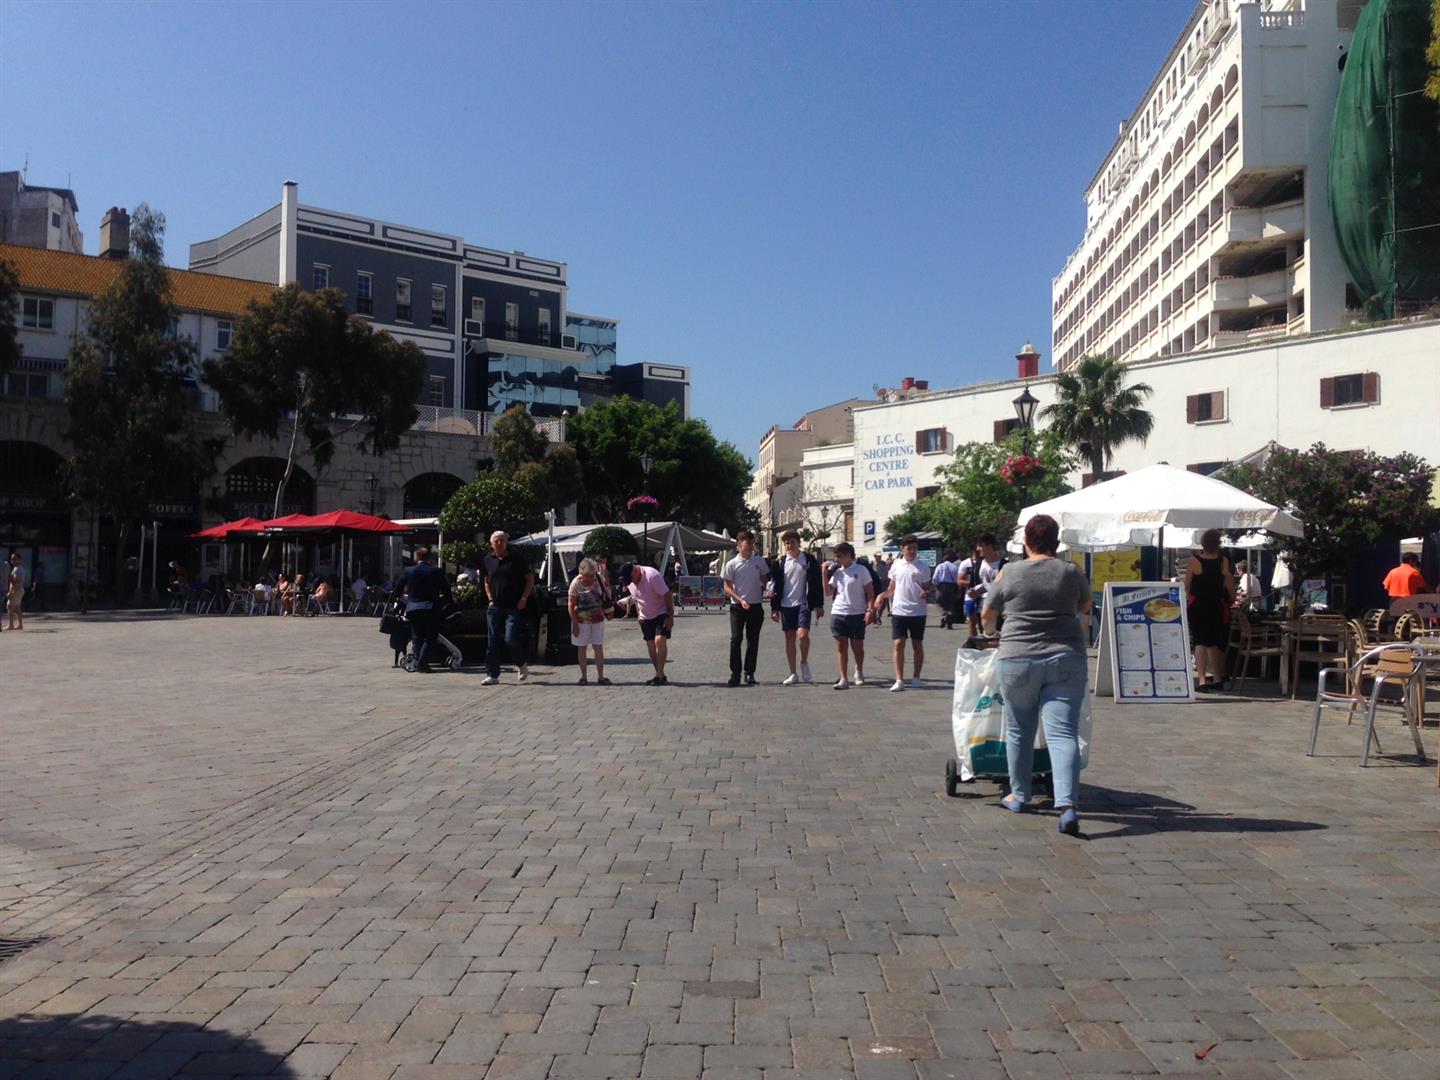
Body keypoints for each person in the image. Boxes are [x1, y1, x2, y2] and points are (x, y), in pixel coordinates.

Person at [982, 513, 1093, 837]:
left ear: (1026, 542)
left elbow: (988, 613)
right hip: (1066, 658)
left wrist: (993, 633)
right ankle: (1067, 805)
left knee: (1019, 731)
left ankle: (1019, 795)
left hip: (1018, 658)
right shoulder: (1071, 572)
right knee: (1062, 734)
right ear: (1057, 542)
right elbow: (1085, 607)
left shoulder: (1010, 572)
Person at [873, 535, 933, 691]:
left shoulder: (923, 567)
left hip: (918, 611)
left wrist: (926, 593)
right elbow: (891, 588)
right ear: (903, 550)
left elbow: (929, 588)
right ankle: (899, 679)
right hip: (899, 610)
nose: (912, 551)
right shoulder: (896, 566)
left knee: (917, 644)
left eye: (914, 548)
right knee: (898, 644)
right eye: (909, 548)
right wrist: (881, 596)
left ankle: (916, 676)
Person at [770, 530, 824, 685]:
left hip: (803, 603)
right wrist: (774, 608)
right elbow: (775, 586)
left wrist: (819, 604)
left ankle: (804, 662)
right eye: (787, 543)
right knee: (790, 638)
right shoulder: (780, 562)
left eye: (792, 542)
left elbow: (816, 583)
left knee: (803, 635)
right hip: (786, 604)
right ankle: (793, 673)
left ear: (799, 543)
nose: (789, 545)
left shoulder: (808, 560)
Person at [482, 531, 535, 685]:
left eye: (502, 540)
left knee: (510, 638)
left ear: (506, 543)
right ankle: (492, 674)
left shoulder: (516, 558)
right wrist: (490, 598)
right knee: (492, 641)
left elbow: (529, 578)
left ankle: (521, 663)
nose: (499, 543)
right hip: (495, 606)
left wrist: (524, 597)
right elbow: (486, 580)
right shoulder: (488, 559)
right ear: (491, 544)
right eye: (496, 541)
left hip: (513, 605)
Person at [1184, 528, 1234, 692]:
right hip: (1216, 605)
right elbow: (1228, 582)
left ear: (1203, 543)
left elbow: (1187, 584)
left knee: (1199, 642)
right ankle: (1218, 678)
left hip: (1198, 605)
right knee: (1213, 642)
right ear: (1218, 544)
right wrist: (1231, 599)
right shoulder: (1223, 561)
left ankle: (1203, 681)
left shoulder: (1194, 561)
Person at [721, 530, 771, 687]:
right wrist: (739, 599)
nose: (750, 545)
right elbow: (727, 588)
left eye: (752, 542)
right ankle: (735, 673)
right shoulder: (731, 564)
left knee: (753, 640)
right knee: (736, 639)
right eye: (747, 542)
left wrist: (768, 587)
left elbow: (765, 580)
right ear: (739, 545)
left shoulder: (759, 562)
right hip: (737, 607)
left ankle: (749, 672)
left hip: (755, 605)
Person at [825, 542, 875, 689]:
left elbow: (870, 592)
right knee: (841, 646)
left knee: (857, 646)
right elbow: (828, 592)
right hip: (838, 612)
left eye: (839, 556)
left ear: (848, 555)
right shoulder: (837, 572)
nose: (837, 560)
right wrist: (824, 573)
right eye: (836, 557)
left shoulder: (861, 570)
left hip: (857, 613)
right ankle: (843, 678)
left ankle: (858, 669)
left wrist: (870, 610)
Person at [617, 559, 675, 685]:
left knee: (659, 640)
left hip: (661, 612)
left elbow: (667, 594)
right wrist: (639, 615)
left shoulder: (652, 575)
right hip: (645, 616)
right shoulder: (630, 581)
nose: (632, 583)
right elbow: (636, 598)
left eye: (632, 579)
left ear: (635, 570)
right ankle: (659, 674)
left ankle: (659, 675)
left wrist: (670, 615)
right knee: (650, 644)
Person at [396, 547, 452, 673]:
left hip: (413, 608)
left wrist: (400, 599)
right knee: (431, 636)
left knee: (417, 636)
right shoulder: (436, 571)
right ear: (430, 559)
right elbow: (445, 589)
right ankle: (422, 663)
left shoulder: (409, 571)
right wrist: (451, 602)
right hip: (430, 608)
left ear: (417, 558)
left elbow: (398, 588)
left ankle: (418, 661)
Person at [568, 557, 611, 685]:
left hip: (597, 619)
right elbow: (570, 605)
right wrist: (575, 624)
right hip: (581, 621)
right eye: (589, 576)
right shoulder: (575, 583)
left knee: (598, 646)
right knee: (582, 648)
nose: (592, 578)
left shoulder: (599, 579)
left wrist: (609, 610)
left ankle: (601, 676)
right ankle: (584, 677)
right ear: (582, 574)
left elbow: (607, 592)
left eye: (593, 575)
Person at [962, 536, 1005, 639]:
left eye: (980, 546)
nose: (978, 549)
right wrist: (973, 592)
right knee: (985, 636)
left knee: (999, 636)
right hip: (982, 606)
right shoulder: (978, 564)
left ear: (990, 546)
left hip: (999, 607)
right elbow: (975, 584)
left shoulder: (1004, 564)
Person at [932, 551, 959, 629]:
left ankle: (943, 615)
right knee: (951, 604)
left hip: (941, 585)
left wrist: (935, 585)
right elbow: (957, 578)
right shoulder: (955, 567)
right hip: (952, 586)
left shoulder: (940, 566)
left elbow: (935, 578)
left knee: (939, 603)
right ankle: (949, 621)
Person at [6, 553, 25, 631]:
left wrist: (10, 592)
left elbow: (15, 582)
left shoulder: (17, 569)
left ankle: (11, 625)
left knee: (9, 606)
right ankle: (20, 625)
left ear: (19, 560)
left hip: (16, 590)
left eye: (14, 559)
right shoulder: (19, 568)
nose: (12, 560)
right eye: (11, 559)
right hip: (19, 590)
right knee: (17, 608)